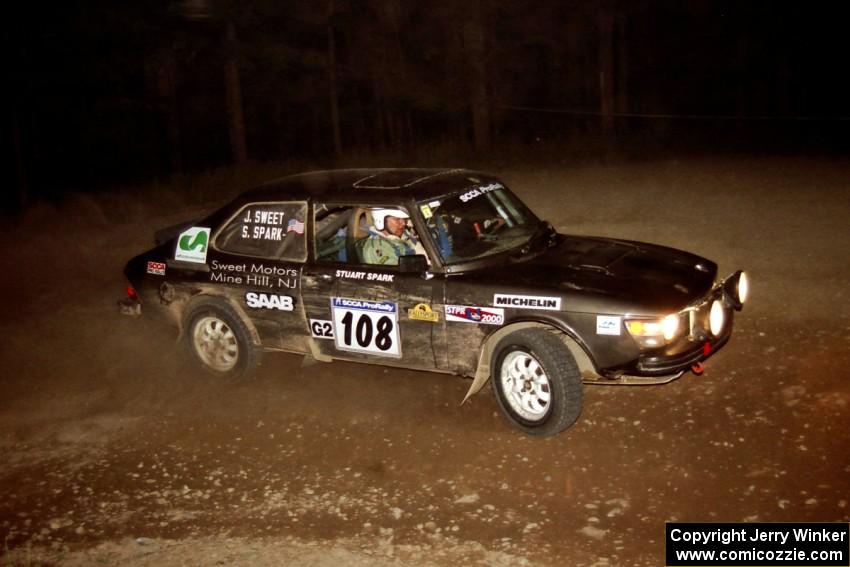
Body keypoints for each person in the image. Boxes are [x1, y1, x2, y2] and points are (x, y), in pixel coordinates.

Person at [359, 208, 427, 265]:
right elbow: (401, 276)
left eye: (404, 219)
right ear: (380, 220)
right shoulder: (377, 247)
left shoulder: (404, 233)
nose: (403, 223)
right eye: (397, 219)